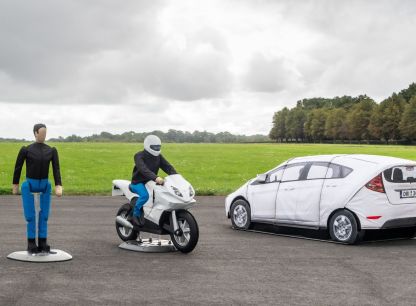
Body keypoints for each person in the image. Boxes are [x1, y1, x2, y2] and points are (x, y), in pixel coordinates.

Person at [12, 123, 63, 254]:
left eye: (45, 133)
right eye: (41, 133)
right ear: (35, 133)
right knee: (30, 216)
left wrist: (58, 185)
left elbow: (56, 168)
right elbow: (18, 167)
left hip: (45, 185)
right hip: (30, 184)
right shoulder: (26, 149)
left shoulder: (51, 150)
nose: (44, 135)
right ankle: (31, 243)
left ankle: (42, 241)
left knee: (44, 215)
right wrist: (15, 185)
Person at [130, 135, 177, 226]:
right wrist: (156, 178)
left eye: (158, 147)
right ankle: (135, 214)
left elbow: (167, 167)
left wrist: (177, 176)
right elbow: (143, 169)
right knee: (144, 196)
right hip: (138, 182)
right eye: (154, 147)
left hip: (150, 181)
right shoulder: (138, 156)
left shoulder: (158, 156)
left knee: (162, 194)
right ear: (148, 145)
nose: (156, 149)